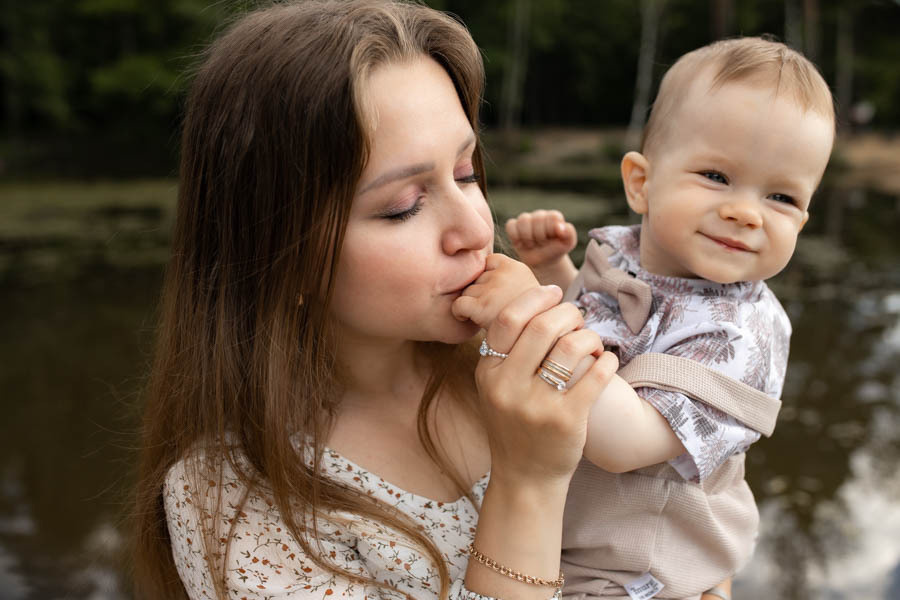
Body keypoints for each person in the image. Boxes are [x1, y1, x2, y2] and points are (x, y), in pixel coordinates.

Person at [131, 2, 625, 599]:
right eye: (402, 207)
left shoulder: (523, 353)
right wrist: (528, 482)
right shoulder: (228, 503)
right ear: (276, 247)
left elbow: (697, 505)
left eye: (467, 173)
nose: (474, 227)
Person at [456, 37, 835, 599]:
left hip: (638, 573)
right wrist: (552, 271)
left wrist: (522, 310)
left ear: (802, 220)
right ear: (640, 182)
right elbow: (593, 324)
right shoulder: (624, 256)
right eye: (716, 176)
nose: (745, 211)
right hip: (562, 531)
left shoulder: (740, 337)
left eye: (781, 196)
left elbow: (622, 440)